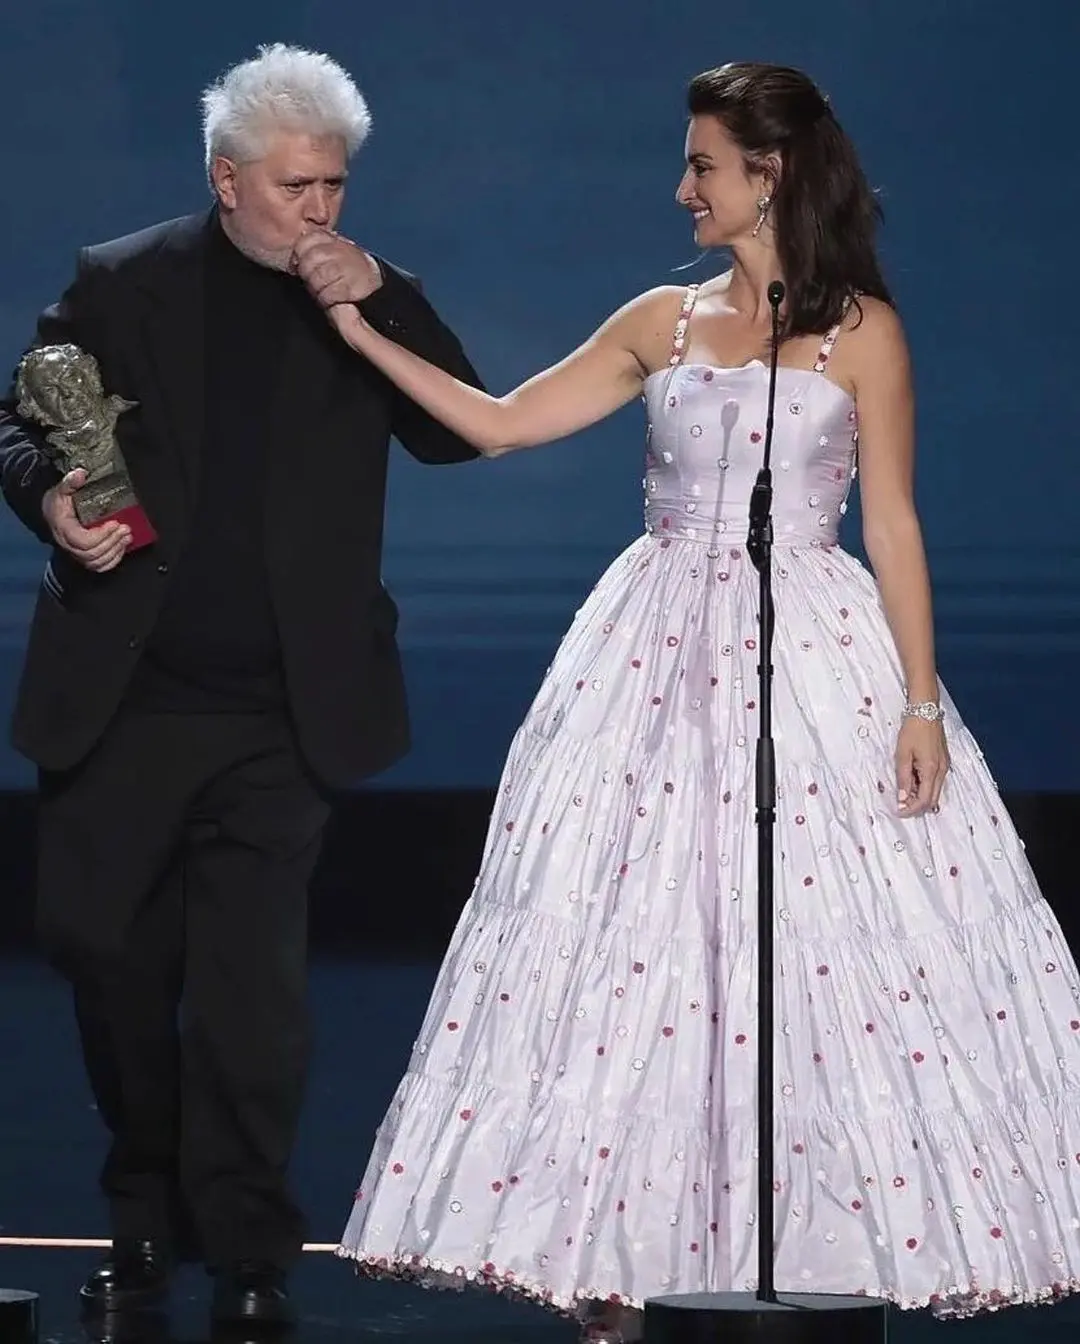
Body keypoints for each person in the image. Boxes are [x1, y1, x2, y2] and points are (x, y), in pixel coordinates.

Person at [331, 61, 1080, 1343]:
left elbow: (891, 522)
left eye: (703, 167)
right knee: (643, 946)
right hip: (656, 666)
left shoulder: (864, 335)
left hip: (814, 653)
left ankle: (828, 1244)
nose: (683, 189)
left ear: (768, 175)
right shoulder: (658, 322)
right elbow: (506, 426)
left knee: (823, 952)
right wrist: (359, 333)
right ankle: (627, 1258)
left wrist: (915, 703)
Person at [0, 43, 482, 1328]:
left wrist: (377, 295)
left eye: (334, 186)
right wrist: (52, 499)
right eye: (295, 189)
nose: (321, 211)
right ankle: (142, 1212)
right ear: (227, 181)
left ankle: (251, 1249)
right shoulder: (123, 282)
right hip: (123, 698)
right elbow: (23, 419)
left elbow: (454, 429)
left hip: (283, 711)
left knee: (249, 998)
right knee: (107, 959)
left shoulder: (372, 296)